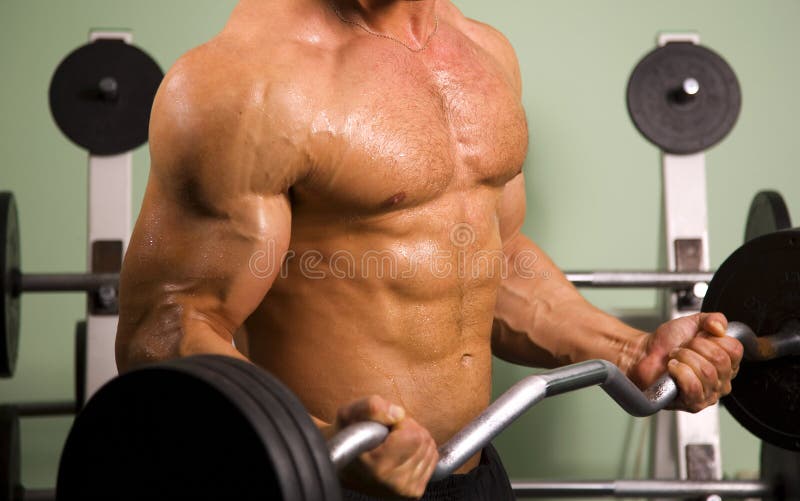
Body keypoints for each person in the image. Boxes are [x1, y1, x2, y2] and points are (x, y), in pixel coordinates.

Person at [115, 0, 744, 499]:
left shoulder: (485, 53)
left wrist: (629, 348)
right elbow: (167, 328)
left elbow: (495, 262)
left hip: (475, 471)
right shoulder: (247, 81)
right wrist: (318, 446)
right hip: (322, 483)